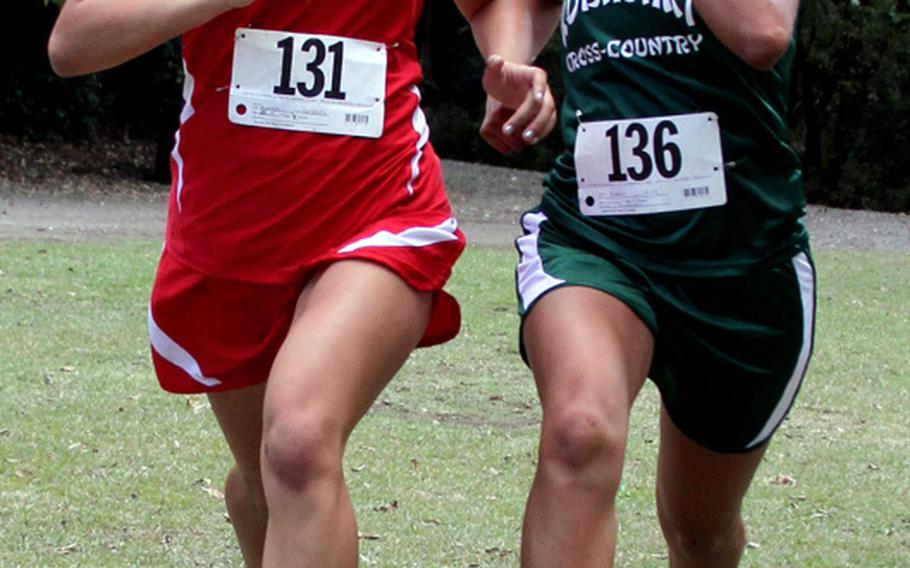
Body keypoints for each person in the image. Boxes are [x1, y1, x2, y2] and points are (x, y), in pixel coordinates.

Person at [47, 1, 553, 566]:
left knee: (298, 444)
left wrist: (507, 63)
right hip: (229, 242)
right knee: (267, 484)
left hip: (381, 211)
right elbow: (73, 43)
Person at [475, 0, 814, 566]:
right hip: (593, 237)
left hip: (743, 261)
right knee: (580, 430)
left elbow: (763, 33)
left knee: (698, 534)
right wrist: (510, 69)